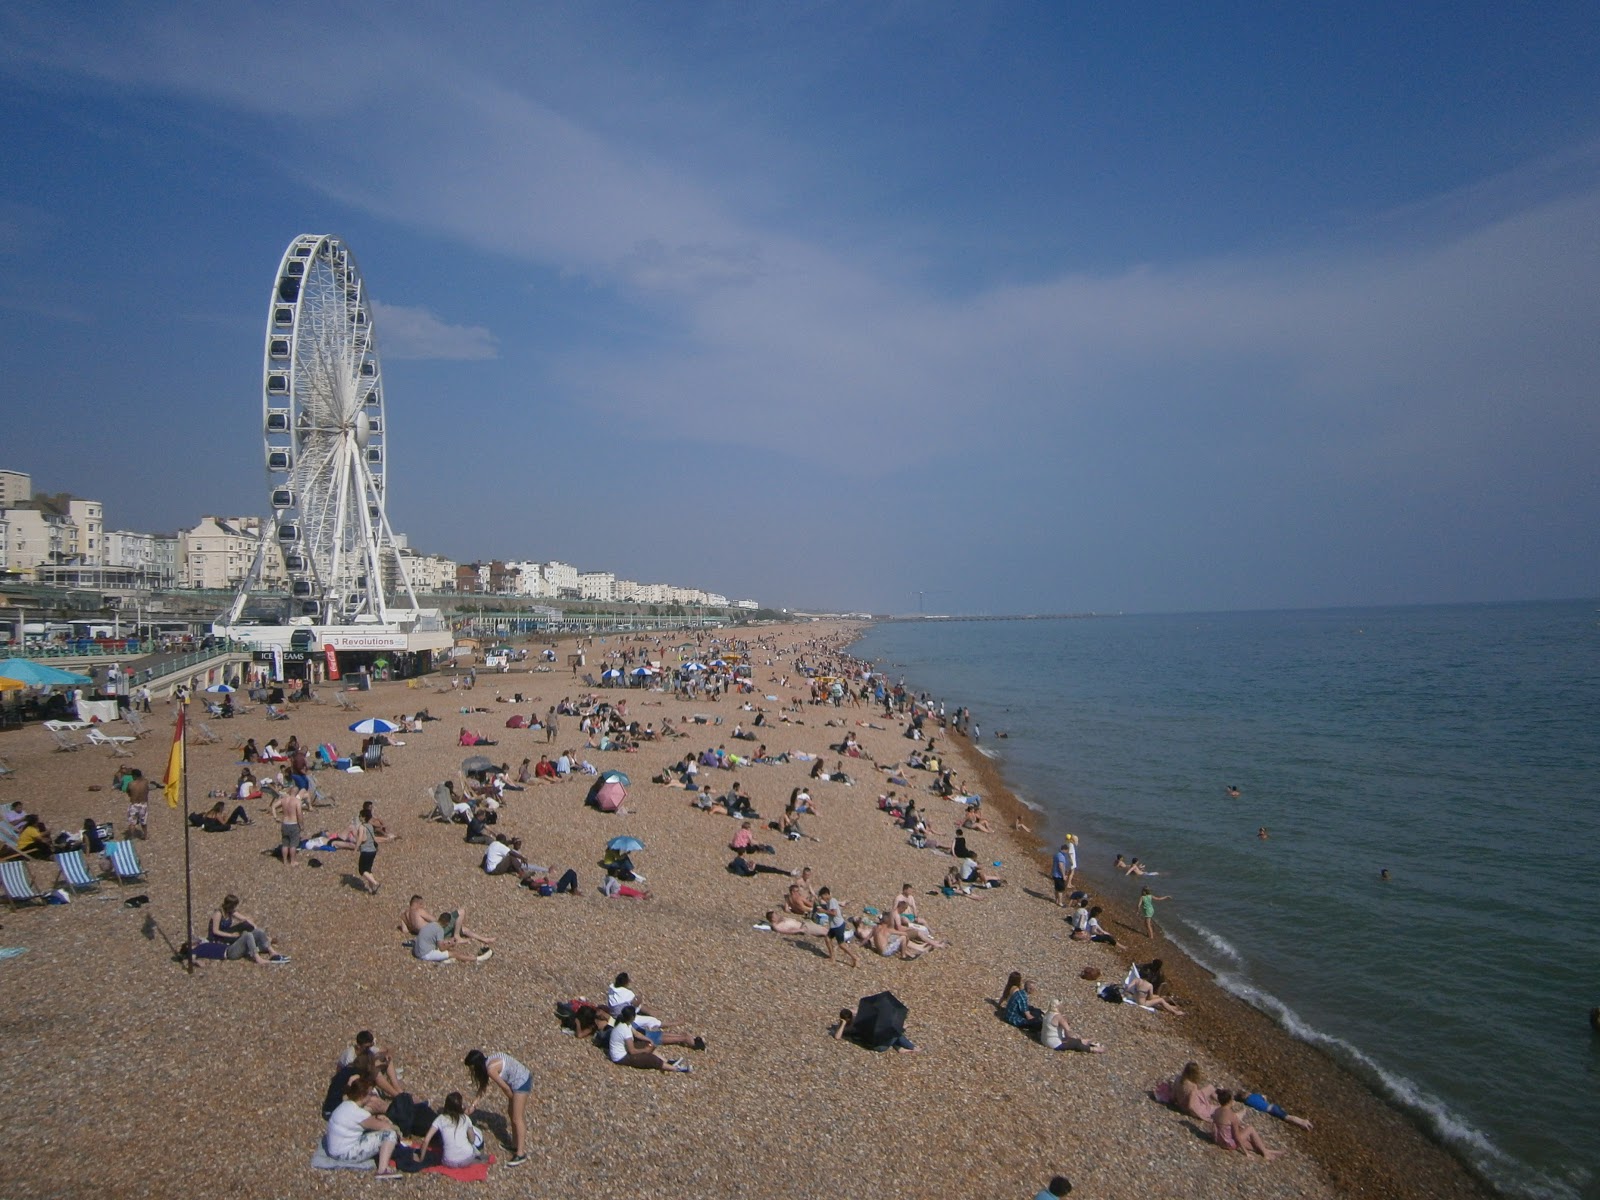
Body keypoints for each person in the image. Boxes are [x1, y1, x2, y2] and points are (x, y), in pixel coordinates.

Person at [1170, 1062, 1313, 1130]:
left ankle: (1302, 1122)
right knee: (1287, 1116)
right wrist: (1200, 1115)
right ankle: (1302, 1122)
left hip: (1267, 1106)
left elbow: (1261, 1096)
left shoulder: (1178, 1079)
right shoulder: (1255, 1100)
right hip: (1195, 1108)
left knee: (1287, 1116)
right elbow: (1190, 1105)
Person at [463, 1049, 530, 1166]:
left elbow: (506, 1089)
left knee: (517, 1118)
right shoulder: (489, 1060)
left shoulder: (491, 1069)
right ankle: (515, 1145)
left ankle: (521, 1153)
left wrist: (513, 1099)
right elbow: (483, 1087)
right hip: (516, 1079)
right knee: (512, 1113)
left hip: (522, 1081)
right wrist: (473, 1105)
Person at [323, 1076, 401, 1178]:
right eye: (370, 1094)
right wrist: (394, 1127)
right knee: (389, 1135)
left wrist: (377, 1118)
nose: (371, 1096)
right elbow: (385, 1127)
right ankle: (382, 1170)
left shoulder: (345, 1105)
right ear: (362, 1095)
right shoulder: (359, 1113)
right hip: (343, 1153)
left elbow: (367, 1122)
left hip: (335, 1149)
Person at [606, 1005, 699, 1071]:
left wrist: (649, 1041)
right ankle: (676, 1069)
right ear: (632, 1017)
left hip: (624, 1051)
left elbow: (637, 1034)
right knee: (651, 1059)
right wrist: (645, 1050)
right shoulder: (624, 1029)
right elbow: (632, 1051)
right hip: (620, 1058)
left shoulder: (624, 1023)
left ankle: (668, 1061)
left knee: (647, 1045)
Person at [403, 896, 494, 963]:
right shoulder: (436, 927)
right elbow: (441, 948)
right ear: (418, 903)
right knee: (454, 953)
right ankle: (477, 959)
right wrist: (451, 945)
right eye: (421, 904)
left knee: (460, 931)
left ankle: (446, 957)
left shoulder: (405, 915)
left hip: (418, 950)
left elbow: (405, 930)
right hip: (424, 954)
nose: (423, 906)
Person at [207, 894, 288, 963]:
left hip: (226, 932)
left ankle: (272, 951)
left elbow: (244, 918)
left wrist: (254, 926)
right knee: (246, 935)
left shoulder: (230, 911)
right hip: (218, 937)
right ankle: (258, 955)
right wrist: (231, 935)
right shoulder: (218, 914)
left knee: (247, 925)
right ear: (230, 905)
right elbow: (215, 931)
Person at [1212, 1088, 1285, 1159]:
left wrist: (1215, 1139)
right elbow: (1237, 1137)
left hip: (1220, 1141)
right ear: (1229, 1101)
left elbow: (1216, 1127)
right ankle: (1266, 1153)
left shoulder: (1216, 1111)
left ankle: (1266, 1150)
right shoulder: (1232, 1115)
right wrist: (1246, 1153)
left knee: (1246, 1139)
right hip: (1229, 1144)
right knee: (1250, 1129)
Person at [420, 1091, 485, 1169]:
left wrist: (421, 1158)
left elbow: (426, 1140)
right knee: (473, 1150)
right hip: (467, 1159)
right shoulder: (465, 1118)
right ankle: (478, 1160)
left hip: (449, 1162)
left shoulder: (440, 1119)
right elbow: (472, 1139)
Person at [815, 887, 858, 967]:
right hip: (834, 925)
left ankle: (854, 957)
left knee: (841, 945)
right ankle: (832, 958)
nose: (822, 898)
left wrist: (823, 911)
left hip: (838, 926)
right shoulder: (830, 901)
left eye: (822, 896)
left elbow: (834, 913)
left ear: (826, 894)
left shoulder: (832, 901)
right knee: (827, 939)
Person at [271, 787, 305, 867]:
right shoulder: (297, 801)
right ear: (297, 793)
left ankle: (285, 861)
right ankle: (292, 861)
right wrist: (301, 824)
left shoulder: (284, 799)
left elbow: (273, 806)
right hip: (293, 823)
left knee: (285, 844)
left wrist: (275, 817)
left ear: (290, 791)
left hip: (285, 823)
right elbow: (299, 814)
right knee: (293, 844)